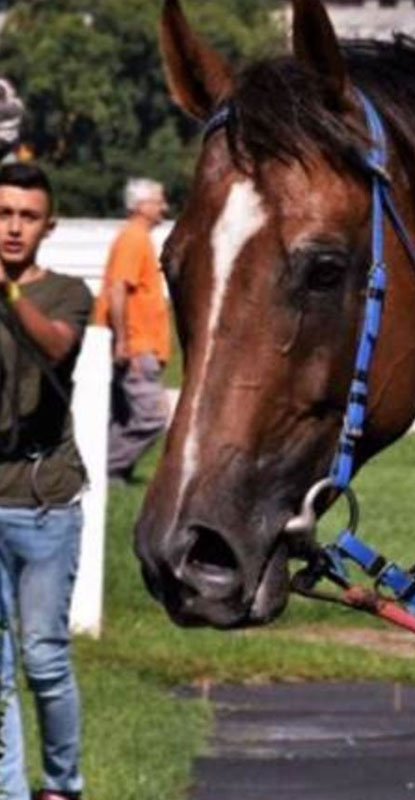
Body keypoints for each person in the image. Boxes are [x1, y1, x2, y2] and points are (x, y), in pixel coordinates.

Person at [0, 162, 92, 800]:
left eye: (27, 217)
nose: (12, 228)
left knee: (44, 659)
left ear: (48, 226)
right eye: (3, 213)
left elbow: (55, 347)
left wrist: (6, 293)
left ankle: (60, 786)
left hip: (46, 504)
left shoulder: (67, 292)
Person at [93, 178, 170, 484]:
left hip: (139, 344)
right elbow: (117, 290)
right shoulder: (134, 239)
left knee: (124, 416)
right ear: (141, 206)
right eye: (159, 201)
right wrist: (124, 341)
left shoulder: (137, 239)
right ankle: (105, 470)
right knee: (152, 416)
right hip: (138, 346)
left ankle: (114, 474)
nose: (164, 206)